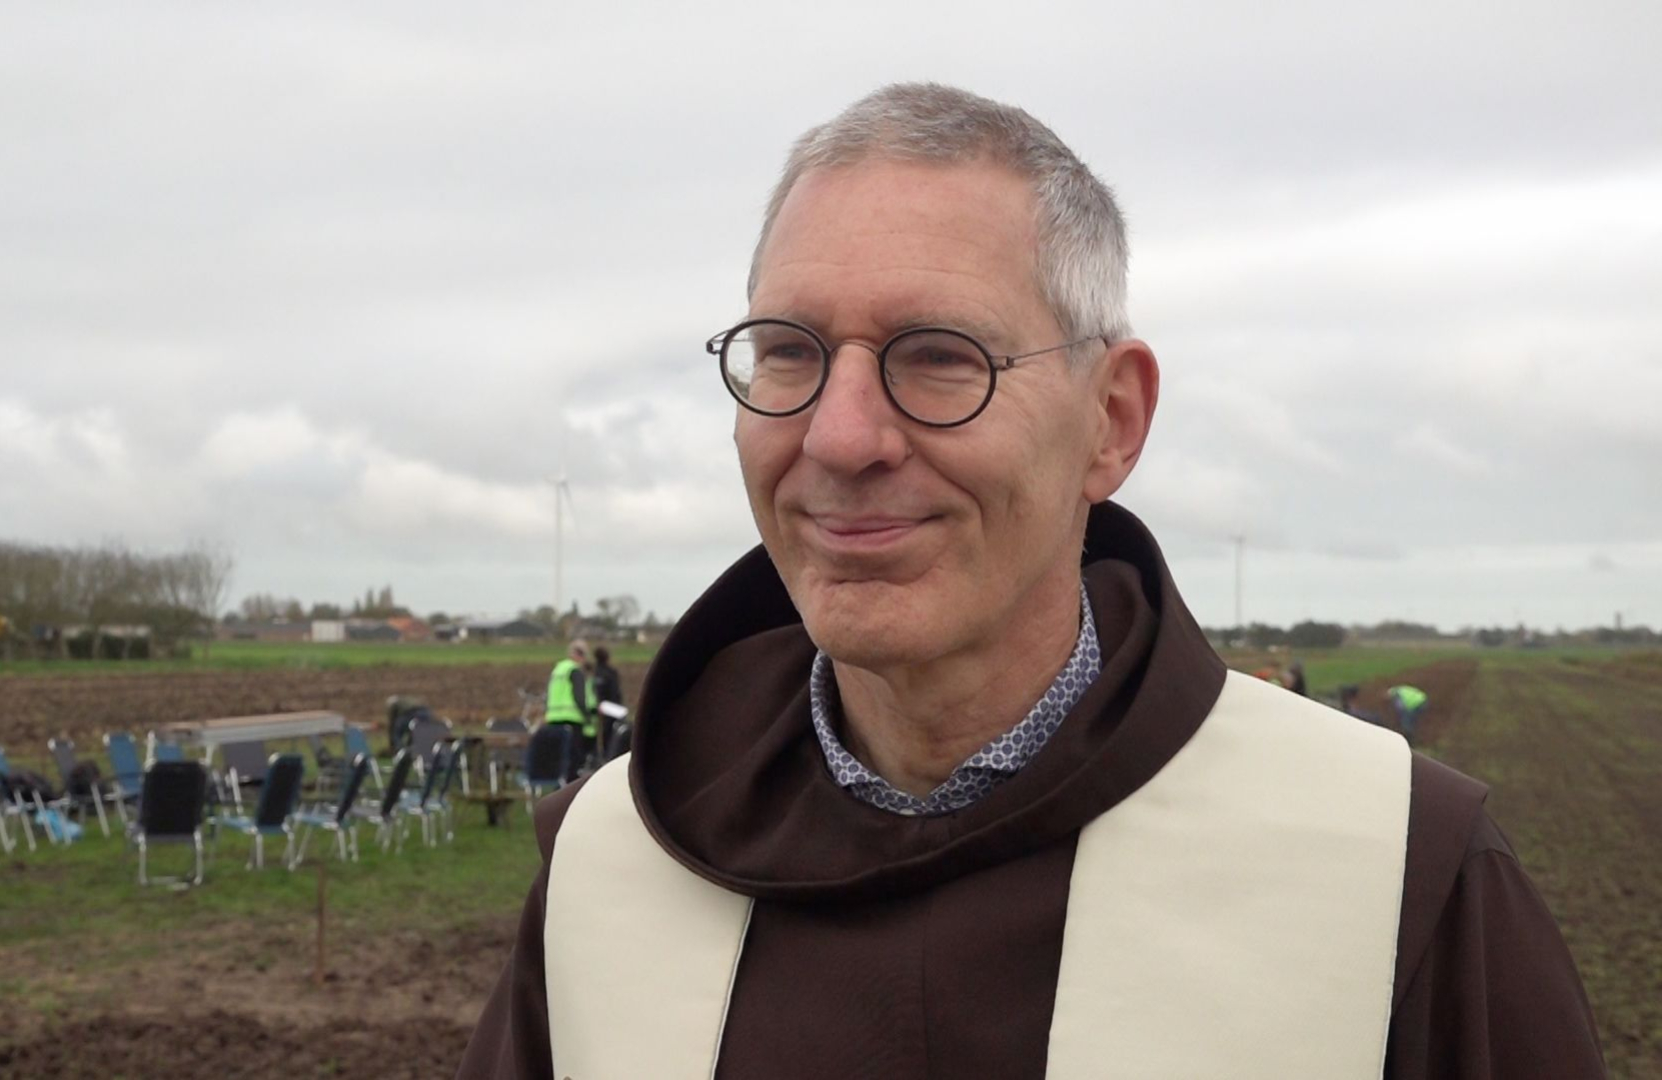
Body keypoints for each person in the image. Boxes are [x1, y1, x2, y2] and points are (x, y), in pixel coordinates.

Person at [458, 84, 1602, 1078]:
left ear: (1112, 420)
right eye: (790, 352)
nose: (841, 436)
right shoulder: (611, 870)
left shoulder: (1396, 870)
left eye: (941, 356)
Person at [542, 639, 596, 776]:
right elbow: (579, 697)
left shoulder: (558, 670)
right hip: (571, 720)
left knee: (559, 758)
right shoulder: (574, 670)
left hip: (553, 719)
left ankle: (558, 786)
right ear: (580, 655)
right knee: (573, 759)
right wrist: (587, 717)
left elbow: (549, 695)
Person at [590, 645, 625, 759]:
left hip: (600, 707)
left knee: (603, 734)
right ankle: (612, 755)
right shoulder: (611, 672)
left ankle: (603, 755)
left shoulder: (595, 673)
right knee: (613, 733)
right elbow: (616, 691)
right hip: (612, 707)